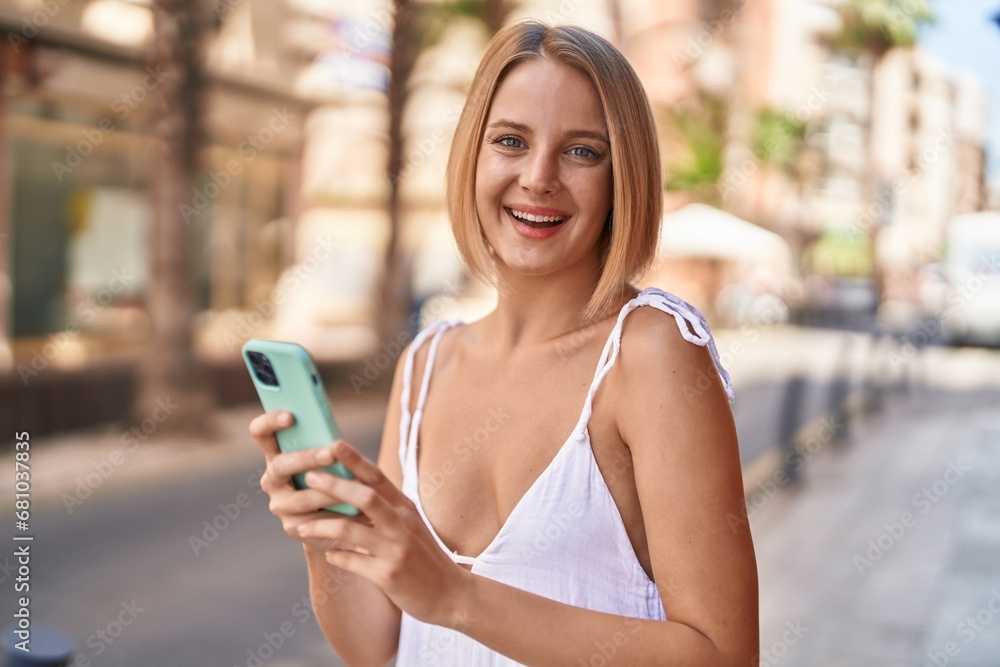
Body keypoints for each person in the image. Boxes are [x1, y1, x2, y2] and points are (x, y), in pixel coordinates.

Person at [250, 20, 758, 666]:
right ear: (474, 155)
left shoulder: (651, 353)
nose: (538, 177)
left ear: (622, 176)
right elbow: (380, 644)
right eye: (511, 141)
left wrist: (458, 596)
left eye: (582, 151)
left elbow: (724, 654)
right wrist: (320, 533)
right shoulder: (424, 364)